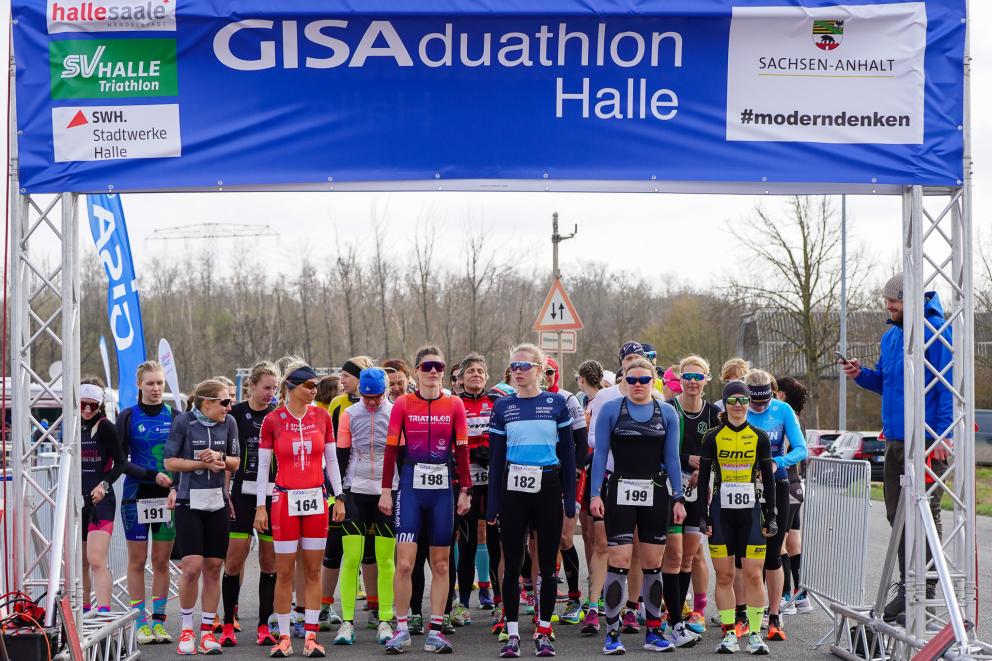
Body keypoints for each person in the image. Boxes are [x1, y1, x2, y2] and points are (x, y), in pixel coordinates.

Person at [841, 272, 952, 625]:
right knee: (897, 515)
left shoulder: (937, 331)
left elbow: (946, 386)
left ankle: (925, 590)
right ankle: (909, 585)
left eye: (895, 301)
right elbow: (886, 383)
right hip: (896, 440)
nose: (888, 306)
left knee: (925, 517)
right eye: (887, 300)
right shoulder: (890, 336)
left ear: (914, 300)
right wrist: (861, 374)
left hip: (926, 440)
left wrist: (943, 436)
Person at [379, 346, 472, 654]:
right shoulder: (403, 404)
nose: (434, 371)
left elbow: (461, 451)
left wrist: (465, 490)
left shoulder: (454, 403)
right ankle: (402, 628)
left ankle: (435, 630)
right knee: (404, 563)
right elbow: (391, 450)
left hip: (443, 490)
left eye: (439, 366)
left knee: (442, 564)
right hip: (410, 486)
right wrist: (385, 491)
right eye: (428, 366)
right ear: (417, 371)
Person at [589, 356, 684, 654]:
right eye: (632, 380)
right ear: (624, 382)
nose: (638, 385)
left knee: (653, 565)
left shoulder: (667, 412)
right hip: (619, 489)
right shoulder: (610, 409)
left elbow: (672, 458)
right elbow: (600, 455)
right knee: (618, 563)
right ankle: (613, 634)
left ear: (653, 381)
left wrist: (679, 496)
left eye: (644, 380)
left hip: (655, 491)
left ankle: (654, 632)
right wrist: (594, 495)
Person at [487, 343, 576, 658]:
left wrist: (569, 501)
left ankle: (543, 631)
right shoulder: (502, 407)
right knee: (512, 565)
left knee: (548, 568)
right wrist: (492, 504)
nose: (518, 371)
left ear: (540, 370)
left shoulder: (556, 403)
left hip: (548, 485)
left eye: (524, 366)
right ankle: (512, 634)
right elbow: (496, 459)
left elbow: (568, 453)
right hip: (513, 487)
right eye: (513, 366)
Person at [255, 364, 347, 658]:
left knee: (311, 569)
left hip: (316, 499)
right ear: (291, 387)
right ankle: (284, 638)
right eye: (309, 385)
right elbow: (262, 469)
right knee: (284, 572)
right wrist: (260, 506)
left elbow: (331, 461)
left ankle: (310, 637)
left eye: (316, 385)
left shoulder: (322, 417)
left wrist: (340, 496)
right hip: (284, 500)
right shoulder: (272, 420)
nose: (314, 391)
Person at [698, 381, 778, 656]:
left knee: (755, 575)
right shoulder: (712, 436)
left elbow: (768, 479)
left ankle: (755, 634)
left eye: (742, 400)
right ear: (725, 404)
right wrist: (702, 516)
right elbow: (703, 482)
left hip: (752, 513)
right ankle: (730, 632)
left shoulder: (759, 436)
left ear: (748, 404)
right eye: (732, 400)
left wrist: (772, 514)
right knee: (725, 575)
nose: (737, 406)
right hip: (721, 513)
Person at [164, 379, 241, 655]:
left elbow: (235, 461)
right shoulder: (184, 422)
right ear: (206, 403)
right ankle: (186, 630)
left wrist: (220, 456)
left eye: (229, 402)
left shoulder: (229, 423)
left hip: (217, 503)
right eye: (224, 402)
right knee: (192, 567)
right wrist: (201, 463)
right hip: (188, 501)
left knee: (212, 568)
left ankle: (207, 633)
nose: (229, 406)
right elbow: (170, 462)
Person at [585, 342, 651, 637]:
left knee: (637, 547)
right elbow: (592, 441)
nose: (633, 363)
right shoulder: (605, 397)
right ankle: (592, 605)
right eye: (628, 359)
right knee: (603, 545)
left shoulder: (656, 397)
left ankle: (632, 608)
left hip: (644, 481)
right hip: (612, 477)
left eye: (638, 359)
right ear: (621, 364)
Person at [334, 367, 397, 646]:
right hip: (356, 491)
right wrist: (339, 495)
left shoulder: (395, 413)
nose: (371, 402)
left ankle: (385, 618)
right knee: (351, 558)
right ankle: (347, 623)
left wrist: (396, 492)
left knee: (385, 559)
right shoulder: (349, 414)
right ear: (359, 392)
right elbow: (340, 455)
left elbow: (401, 455)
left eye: (377, 397)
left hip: (387, 491)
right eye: (366, 397)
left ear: (386, 392)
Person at [80, 378, 154, 615]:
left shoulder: (104, 426)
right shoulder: (71, 425)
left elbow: (121, 461)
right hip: (76, 500)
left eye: (93, 405)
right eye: (83, 404)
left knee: (96, 560)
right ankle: (83, 611)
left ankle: (103, 613)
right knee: (79, 563)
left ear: (100, 405)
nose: (88, 410)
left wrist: (104, 484)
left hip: (101, 500)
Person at [116, 361, 177, 645]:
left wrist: (174, 484)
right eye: (150, 383)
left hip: (168, 498)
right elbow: (120, 462)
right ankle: (140, 622)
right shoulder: (128, 416)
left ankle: (159, 622)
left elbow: (181, 457)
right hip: (136, 494)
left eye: (160, 384)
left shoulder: (176, 416)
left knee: (162, 561)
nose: (155, 389)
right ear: (139, 385)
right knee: (138, 561)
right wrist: (153, 475)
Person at [744, 369, 807, 642]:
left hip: (777, 485)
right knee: (744, 556)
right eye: (754, 402)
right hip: (742, 486)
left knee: (772, 553)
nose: (759, 407)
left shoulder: (782, 410)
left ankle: (774, 615)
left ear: (773, 392)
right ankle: (745, 614)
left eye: (764, 401)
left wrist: (776, 462)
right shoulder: (736, 407)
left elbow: (801, 448)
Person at [663, 355, 722, 640]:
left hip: (698, 491)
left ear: (706, 380)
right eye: (688, 376)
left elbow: (718, 452)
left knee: (687, 557)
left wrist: (705, 468)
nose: (693, 382)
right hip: (671, 489)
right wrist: (689, 460)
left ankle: (682, 614)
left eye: (699, 377)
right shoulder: (668, 409)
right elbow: (660, 450)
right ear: (680, 378)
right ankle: (670, 614)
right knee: (671, 555)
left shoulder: (713, 414)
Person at [221, 361, 280, 647]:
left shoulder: (278, 415)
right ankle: (228, 622)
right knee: (233, 561)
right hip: (242, 495)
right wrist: (225, 493)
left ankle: (263, 625)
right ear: (252, 385)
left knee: (269, 562)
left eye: (275, 388)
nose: (271, 393)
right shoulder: (235, 414)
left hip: (271, 495)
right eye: (266, 387)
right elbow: (227, 460)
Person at [321, 356, 375, 630]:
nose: (341, 380)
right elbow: (330, 449)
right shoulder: (337, 404)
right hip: (343, 486)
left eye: (347, 376)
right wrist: (333, 492)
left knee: (370, 550)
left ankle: (375, 607)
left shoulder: (378, 404)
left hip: (371, 487)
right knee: (334, 547)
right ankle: (325, 605)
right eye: (341, 375)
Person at [453, 354, 502, 626]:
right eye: (470, 370)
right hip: (466, 485)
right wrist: (467, 456)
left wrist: (493, 453)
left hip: (491, 483)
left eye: (480, 371)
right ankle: (462, 605)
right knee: (467, 544)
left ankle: (498, 602)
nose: (475, 375)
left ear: (486, 376)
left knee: (495, 544)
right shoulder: (454, 403)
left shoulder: (497, 403)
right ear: (461, 378)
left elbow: (505, 437)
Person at [542, 356, 590, 628]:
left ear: (556, 373)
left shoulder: (567, 398)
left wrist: (574, 471)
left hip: (568, 475)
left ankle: (575, 598)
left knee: (564, 537)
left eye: (550, 372)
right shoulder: (525, 398)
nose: (546, 377)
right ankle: (538, 593)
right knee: (536, 540)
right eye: (542, 372)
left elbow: (582, 442)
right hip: (541, 474)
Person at [773, 376, 812, 616]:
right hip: (797, 485)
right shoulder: (798, 419)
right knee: (793, 543)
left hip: (786, 484)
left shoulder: (783, 416)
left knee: (778, 544)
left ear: (782, 395)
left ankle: (786, 594)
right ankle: (802, 596)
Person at [574, 359, 606, 627]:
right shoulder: (585, 402)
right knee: (587, 534)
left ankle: (601, 589)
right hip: (587, 472)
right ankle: (594, 586)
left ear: (583, 379)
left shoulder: (601, 401)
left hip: (597, 471)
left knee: (597, 536)